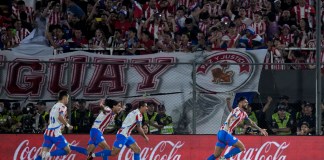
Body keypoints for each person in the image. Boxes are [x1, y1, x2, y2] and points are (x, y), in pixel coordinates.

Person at [35, 90, 73, 160]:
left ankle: (46, 154)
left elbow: (50, 121)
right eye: (68, 98)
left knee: (41, 154)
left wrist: (60, 125)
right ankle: (48, 154)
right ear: (64, 97)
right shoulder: (63, 106)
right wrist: (68, 125)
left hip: (48, 133)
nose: (68, 100)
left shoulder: (54, 106)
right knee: (67, 150)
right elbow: (60, 117)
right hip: (55, 133)